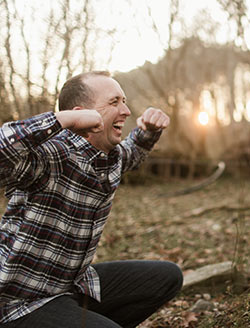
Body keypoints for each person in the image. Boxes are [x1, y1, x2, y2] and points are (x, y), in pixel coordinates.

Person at [0, 71, 183, 327]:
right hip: (20, 303)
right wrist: (63, 119)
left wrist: (148, 132)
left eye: (124, 101)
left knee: (167, 276)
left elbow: (132, 153)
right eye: (114, 102)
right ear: (81, 112)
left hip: (71, 287)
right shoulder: (52, 155)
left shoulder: (110, 156)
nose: (126, 110)